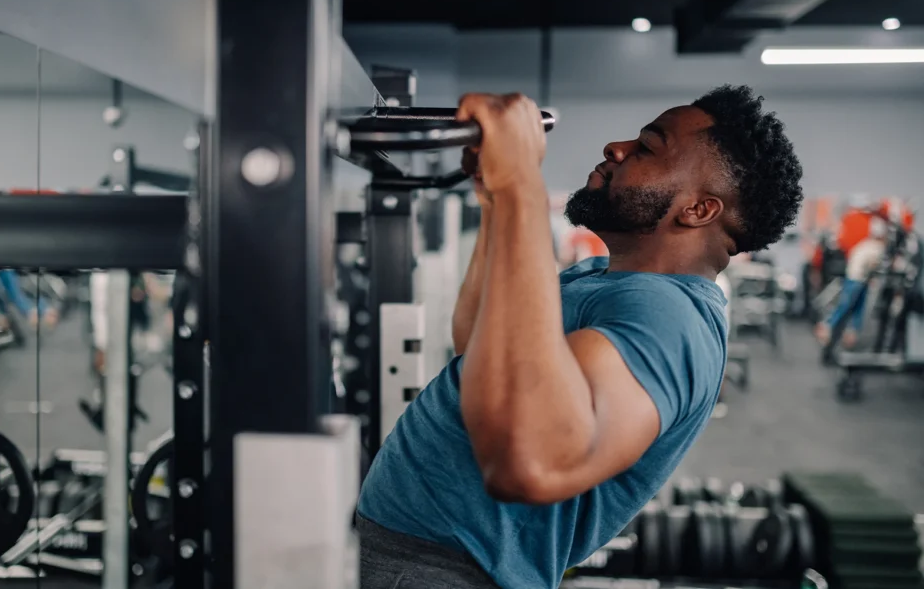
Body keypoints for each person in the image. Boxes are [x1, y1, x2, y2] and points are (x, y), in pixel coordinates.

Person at [356, 85, 804, 589]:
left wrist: (523, 186)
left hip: (447, 571)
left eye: (647, 147)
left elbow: (532, 464)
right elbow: (479, 345)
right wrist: (498, 199)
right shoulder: (601, 278)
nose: (616, 148)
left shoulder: (670, 318)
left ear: (698, 210)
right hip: (410, 555)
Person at [815, 214, 888, 349]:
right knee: (849, 306)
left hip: (855, 277)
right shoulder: (876, 246)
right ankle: (829, 327)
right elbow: (873, 265)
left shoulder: (866, 243)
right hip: (857, 279)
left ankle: (847, 334)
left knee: (854, 306)